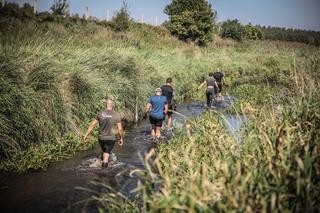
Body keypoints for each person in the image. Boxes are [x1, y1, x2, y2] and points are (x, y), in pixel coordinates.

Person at [83, 98, 124, 168]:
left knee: (104, 152)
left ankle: (102, 163)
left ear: (105, 104)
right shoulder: (116, 115)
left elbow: (92, 125)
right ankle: (104, 174)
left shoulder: (100, 113)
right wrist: (121, 138)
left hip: (101, 138)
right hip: (111, 139)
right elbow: (120, 129)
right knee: (106, 157)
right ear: (113, 105)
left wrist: (86, 135)